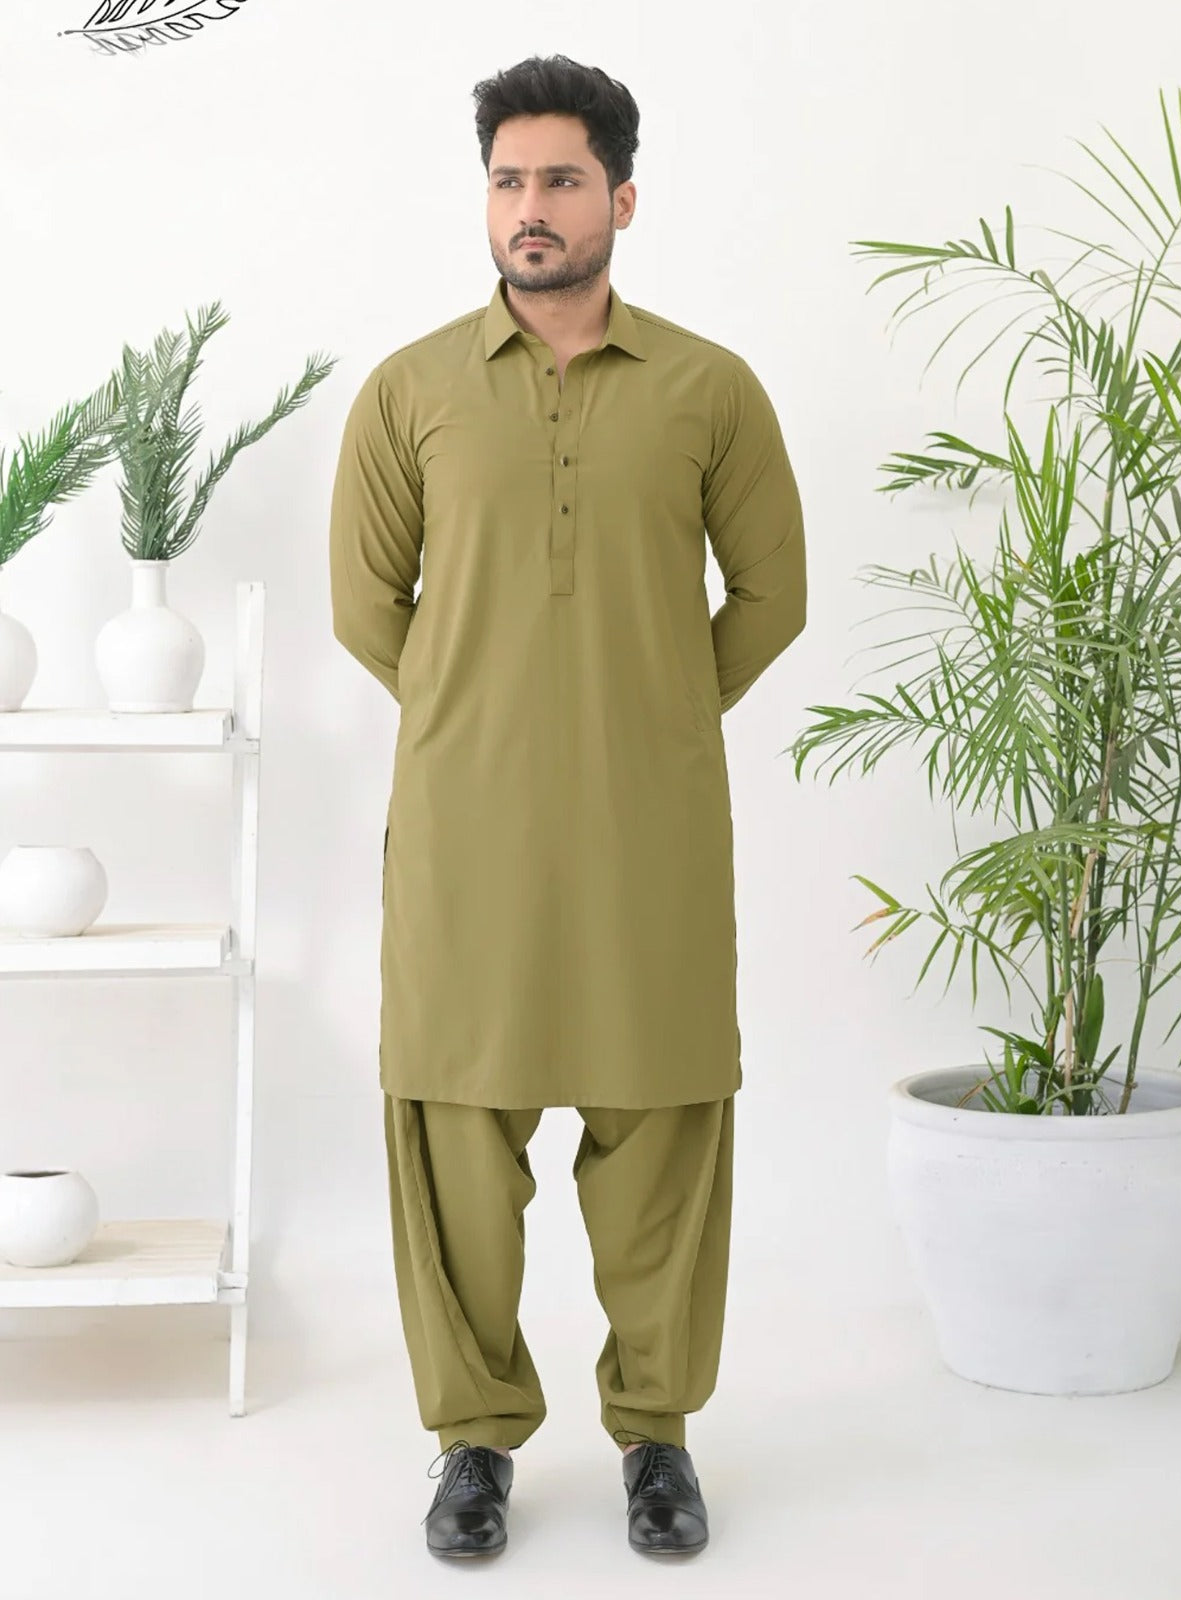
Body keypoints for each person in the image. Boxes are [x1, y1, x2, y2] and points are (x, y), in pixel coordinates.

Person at [328, 52, 808, 1561]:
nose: (529, 207)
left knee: (660, 1119)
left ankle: (657, 1436)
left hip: (648, 839)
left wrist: (649, 715)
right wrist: (483, 719)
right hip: (463, 839)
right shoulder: (409, 391)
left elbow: (774, 595)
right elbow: (364, 606)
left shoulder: (709, 389)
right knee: (456, 1126)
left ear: (623, 199)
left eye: (560, 179)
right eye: (508, 180)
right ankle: (472, 1442)